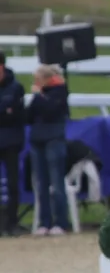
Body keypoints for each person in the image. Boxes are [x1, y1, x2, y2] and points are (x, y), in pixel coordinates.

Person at [26, 64, 71, 235]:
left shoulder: (60, 92)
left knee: (56, 182)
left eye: (38, 79)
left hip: (54, 139)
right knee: (41, 184)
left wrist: (39, 97)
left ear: (46, 79)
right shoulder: (39, 96)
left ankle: (61, 221)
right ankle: (44, 222)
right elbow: (29, 116)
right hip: (37, 140)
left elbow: (51, 111)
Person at [0, 51, 27, 235]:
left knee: (13, 183)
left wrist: (7, 113)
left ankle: (12, 222)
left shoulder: (16, 87)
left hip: (11, 141)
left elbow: (17, 115)